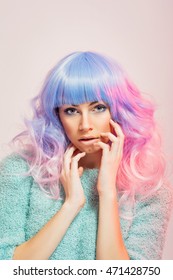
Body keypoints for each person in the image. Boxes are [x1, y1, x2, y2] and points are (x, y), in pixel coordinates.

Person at [0, 51, 172, 260]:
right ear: (57, 115)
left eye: (98, 108)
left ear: (118, 111)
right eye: (71, 110)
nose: (85, 125)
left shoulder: (150, 189)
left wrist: (107, 191)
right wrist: (71, 205)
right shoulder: (21, 171)